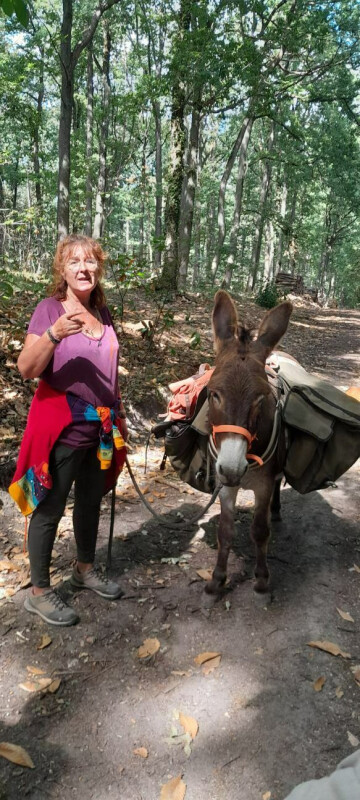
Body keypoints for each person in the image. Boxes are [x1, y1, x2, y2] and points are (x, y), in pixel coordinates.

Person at [9, 234, 127, 626]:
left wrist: (118, 412)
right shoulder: (49, 310)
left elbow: (108, 370)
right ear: (62, 269)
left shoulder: (103, 312)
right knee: (48, 507)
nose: (84, 268)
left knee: (91, 500)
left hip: (101, 433)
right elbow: (26, 367)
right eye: (74, 261)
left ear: (99, 268)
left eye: (91, 261)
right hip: (62, 430)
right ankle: (39, 592)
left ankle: (84, 570)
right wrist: (55, 334)